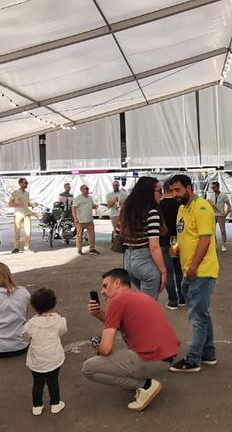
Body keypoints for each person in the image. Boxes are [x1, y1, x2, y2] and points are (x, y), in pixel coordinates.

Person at [85, 268, 180, 411]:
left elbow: (105, 349)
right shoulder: (138, 296)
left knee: (88, 369)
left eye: (105, 286)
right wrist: (98, 313)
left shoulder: (116, 302)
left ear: (117, 283)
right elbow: (119, 325)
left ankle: (145, 385)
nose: (102, 291)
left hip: (151, 360)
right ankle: (142, 381)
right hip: (166, 358)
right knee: (120, 347)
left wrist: (97, 345)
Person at [168, 175, 219, 373]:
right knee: (202, 314)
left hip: (201, 271)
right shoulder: (182, 208)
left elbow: (205, 240)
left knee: (197, 316)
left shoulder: (202, 207)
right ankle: (208, 353)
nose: (175, 194)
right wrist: (177, 246)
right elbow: (186, 235)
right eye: (172, 191)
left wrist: (194, 266)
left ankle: (194, 359)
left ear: (189, 188)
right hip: (189, 270)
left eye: (178, 190)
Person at [119, 177, 167, 300]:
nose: (161, 195)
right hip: (144, 260)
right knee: (148, 308)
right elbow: (154, 246)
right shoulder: (152, 212)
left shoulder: (127, 210)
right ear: (149, 192)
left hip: (128, 261)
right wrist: (163, 271)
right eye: (158, 191)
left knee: (142, 302)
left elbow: (119, 231)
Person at [25, 287, 66, 415]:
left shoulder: (31, 324)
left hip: (37, 359)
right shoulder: (58, 320)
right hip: (53, 357)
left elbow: (25, 335)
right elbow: (62, 331)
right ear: (53, 303)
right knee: (53, 381)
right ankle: (55, 403)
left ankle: (37, 405)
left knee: (38, 382)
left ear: (34, 306)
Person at [158, 183, 186, 310]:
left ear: (163, 191)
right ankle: (182, 297)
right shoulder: (179, 204)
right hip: (176, 240)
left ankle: (173, 300)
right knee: (179, 270)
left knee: (168, 272)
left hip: (163, 241)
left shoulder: (159, 205)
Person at [9, 177, 33, 254]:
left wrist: (31, 204)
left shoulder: (27, 193)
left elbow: (28, 202)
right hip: (18, 214)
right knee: (17, 232)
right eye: (25, 183)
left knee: (28, 231)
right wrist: (18, 204)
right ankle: (16, 247)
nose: (26, 184)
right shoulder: (15, 193)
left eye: (27, 183)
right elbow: (10, 204)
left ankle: (27, 247)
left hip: (26, 214)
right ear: (20, 183)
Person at [73, 184, 99, 255]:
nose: (87, 190)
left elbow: (92, 206)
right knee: (79, 235)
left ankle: (92, 248)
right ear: (81, 190)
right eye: (86, 189)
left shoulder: (90, 198)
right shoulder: (78, 198)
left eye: (88, 188)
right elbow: (74, 208)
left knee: (92, 235)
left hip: (89, 220)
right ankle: (79, 249)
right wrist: (75, 218)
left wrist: (95, 206)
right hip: (80, 220)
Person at [207, 181, 231, 251]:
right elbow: (210, 205)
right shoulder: (211, 195)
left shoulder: (223, 195)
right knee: (212, 231)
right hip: (213, 215)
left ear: (218, 187)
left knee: (223, 231)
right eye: (212, 188)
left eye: (214, 187)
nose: (213, 189)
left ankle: (223, 245)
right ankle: (215, 245)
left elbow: (229, 206)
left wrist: (226, 214)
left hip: (221, 215)